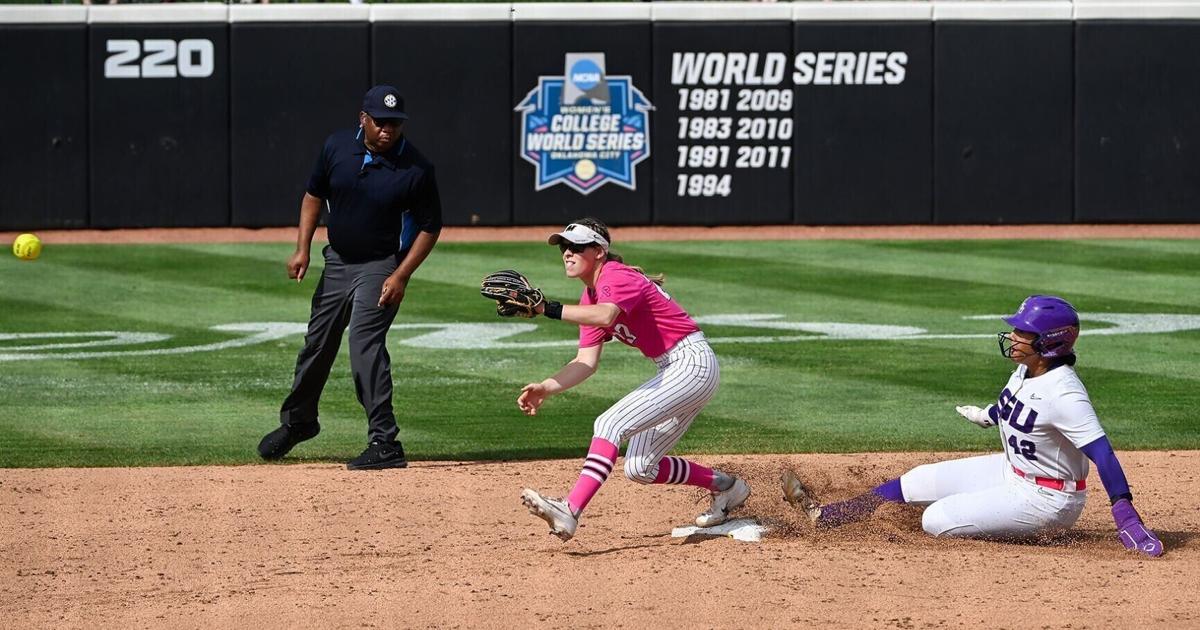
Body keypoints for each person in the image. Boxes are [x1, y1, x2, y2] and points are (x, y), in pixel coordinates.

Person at [782, 295, 1164, 557]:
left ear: (1048, 343)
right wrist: (987, 415)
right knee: (916, 480)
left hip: (1048, 500)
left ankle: (1003, 524)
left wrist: (1124, 513)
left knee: (936, 519)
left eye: (1023, 333)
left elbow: (1103, 453)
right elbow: (1010, 403)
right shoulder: (1027, 369)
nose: (1013, 338)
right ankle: (828, 517)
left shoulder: (1065, 394)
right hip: (1012, 471)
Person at [510, 218, 751, 541]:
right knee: (640, 467)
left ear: (599, 251)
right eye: (564, 247)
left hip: (691, 363)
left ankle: (570, 509)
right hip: (676, 370)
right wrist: (547, 387)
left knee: (609, 424)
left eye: (577, 246)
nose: (568, 253)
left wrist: (545, 308)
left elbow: (607, 315)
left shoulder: (616, 275)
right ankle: (727, 487)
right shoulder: (589, 298)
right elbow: (586, 362)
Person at [257, 85, 442, 470]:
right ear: (364, 119)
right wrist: (302, 248)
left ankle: (385, 442)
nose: (388, 129)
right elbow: (313, 195)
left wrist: (402, 274)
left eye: (395, 122)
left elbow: (429, 227)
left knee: (364, 346)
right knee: (317, 345)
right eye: (380, 121)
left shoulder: (417, 168)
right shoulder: (337, 147)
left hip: (382, 265)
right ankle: (299, 422)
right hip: (337, 262)